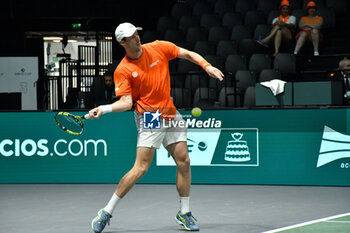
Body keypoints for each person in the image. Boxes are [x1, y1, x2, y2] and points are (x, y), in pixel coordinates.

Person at [88, 22, 224, 233]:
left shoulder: (159, 47)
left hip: (171, 112)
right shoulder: (123, 70)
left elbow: (187, 54)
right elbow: (126, 102)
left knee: (184, 161)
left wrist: (207, 66)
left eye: (137, 33)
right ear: (122, 42)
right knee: (141, 168)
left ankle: (185, 213)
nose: (137, 38)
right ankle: (106, 211)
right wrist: (104, 109)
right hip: (150, 117)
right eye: (132, 36)